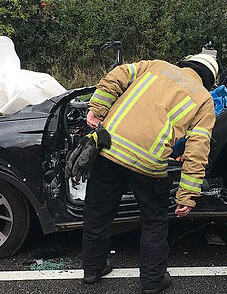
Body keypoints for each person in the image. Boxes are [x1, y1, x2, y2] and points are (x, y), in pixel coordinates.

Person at [81, 54, 218, 293]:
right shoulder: (204, 99)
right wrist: (187, 194)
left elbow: (117, 74)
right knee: (154, 223)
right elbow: (197, 150)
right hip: (149, 164)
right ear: (210, 79)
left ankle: (93, 270)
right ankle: (153, 282)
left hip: (110, 149)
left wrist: (98, 109)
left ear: (185, 63)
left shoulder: (156, 66)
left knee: (98, 213)